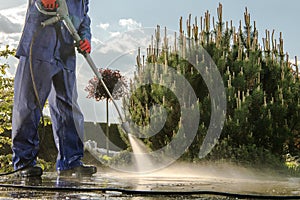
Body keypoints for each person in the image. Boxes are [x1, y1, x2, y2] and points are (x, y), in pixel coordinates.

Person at [11, 0, 96, 177]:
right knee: (28, 103)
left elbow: (84, 17)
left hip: (65, 53)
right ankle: (23, 163)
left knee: (68, 107)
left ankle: (71, 162)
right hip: (39, 45)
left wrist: (86, 37)